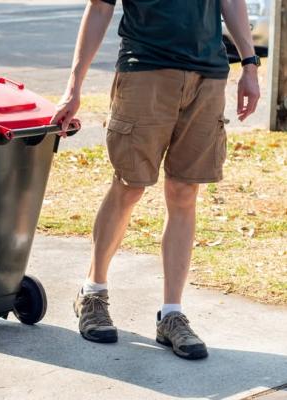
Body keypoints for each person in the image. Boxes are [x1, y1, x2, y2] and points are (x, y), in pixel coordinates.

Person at [51, 0, 260, 360]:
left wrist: (250, 64)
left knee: (184, 192)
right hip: (144, 69)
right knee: (129, 186)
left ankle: (172, 314)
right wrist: (74, 85)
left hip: (207, 75)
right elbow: (99, 8)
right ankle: (93, 293)